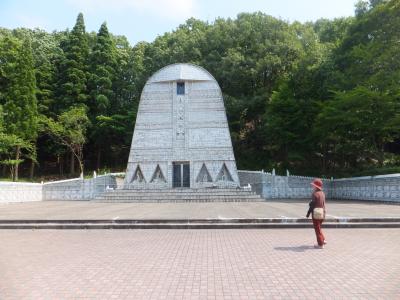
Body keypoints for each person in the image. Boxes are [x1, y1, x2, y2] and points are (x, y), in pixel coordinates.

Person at [307, 178, 326, 249]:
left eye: (313, 185)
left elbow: (312, 205)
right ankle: (323, 239)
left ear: (316, 186)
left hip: (316, 213)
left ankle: (320, 244)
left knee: (317, 229)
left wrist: (308, 213)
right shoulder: (322, 193)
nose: (312, 187)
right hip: (323, 212)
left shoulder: (315, 194)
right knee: (319, 227)